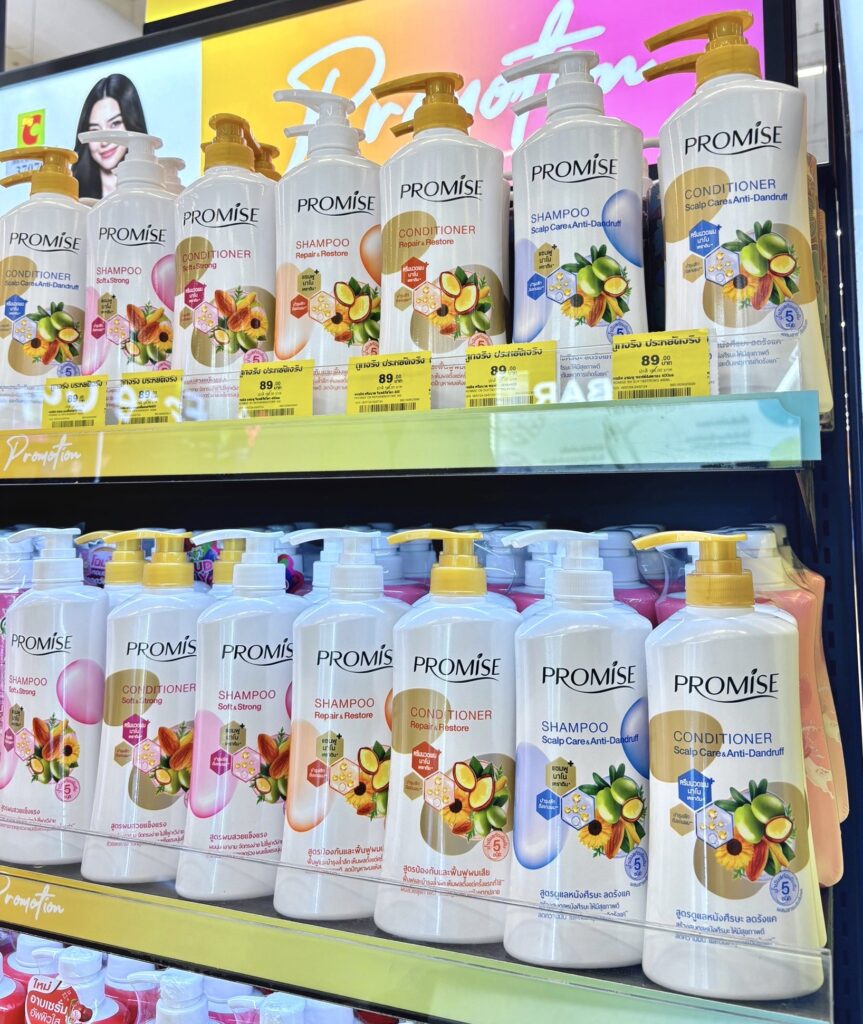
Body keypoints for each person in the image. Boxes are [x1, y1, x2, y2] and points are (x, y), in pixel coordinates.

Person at [72, 74, 147, 199]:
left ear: (131, 123)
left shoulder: (156, 193)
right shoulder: (74, 199)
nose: (104, 142)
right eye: (95, 130)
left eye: (114, 124)